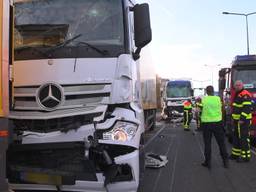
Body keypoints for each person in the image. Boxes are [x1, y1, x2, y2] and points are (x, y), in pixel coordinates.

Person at [201, 86, 229, 169]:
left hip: (206, 124)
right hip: (218, 123)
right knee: (221, 143)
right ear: (213, 91)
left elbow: (199, 110)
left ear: (206, 92)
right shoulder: (218, 99)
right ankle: (225, 162)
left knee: (207, 143)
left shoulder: (204, 99)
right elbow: (223, 109)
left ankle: (208, 162)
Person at [230, 80, 252, 162]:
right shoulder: (238, 94)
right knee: (236, 138)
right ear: (234, 86)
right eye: (236, 85)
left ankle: (245, 157)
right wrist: (233, 117)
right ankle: (235, 154)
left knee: (244, 138)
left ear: (242, 85)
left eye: (239, 85)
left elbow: (246, 108)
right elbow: (236, 107)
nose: (238, 86)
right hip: (237, 121)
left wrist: (242, 119)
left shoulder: (245, 94)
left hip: (243, 121)